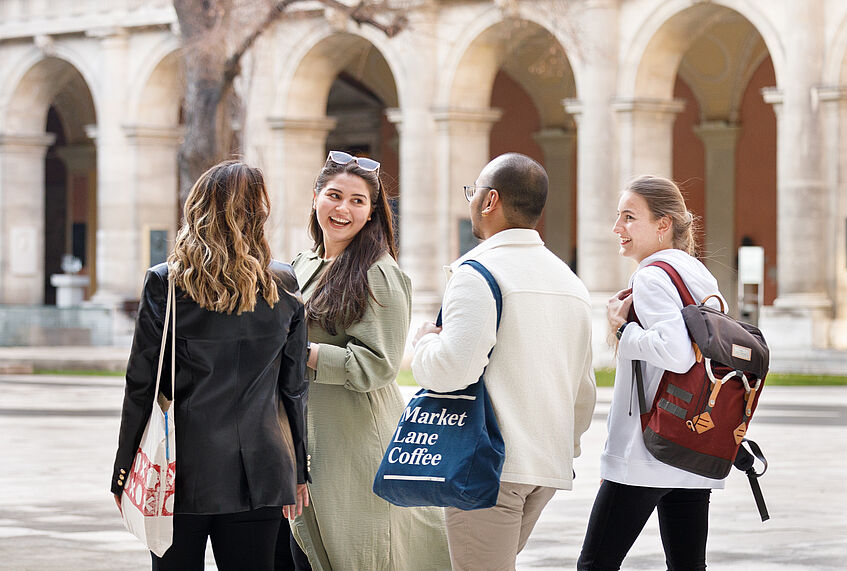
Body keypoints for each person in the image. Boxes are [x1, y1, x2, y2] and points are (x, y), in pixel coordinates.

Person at [111, 160, 309, 570]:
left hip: (180, 469)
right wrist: (300, 470)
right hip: (264, 468)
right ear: (259, 213)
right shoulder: (284, 283)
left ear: (196, 208)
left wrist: (124, 468)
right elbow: (293, 388)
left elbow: (140, 385)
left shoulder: (166, 282)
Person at [411, 152, 597, 571]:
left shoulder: (477, 273)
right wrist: (565, 449)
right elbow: (583, 389)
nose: (471, 200)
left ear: (490, 200)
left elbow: (452, 371)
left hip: (488, 466)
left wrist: (423, 344)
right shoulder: (570, 282)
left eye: (473, 192)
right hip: (545, 466)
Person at [284, 151, 449, 571]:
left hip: (356, 438)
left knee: (360, 551)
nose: (343, 208)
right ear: (315, 196)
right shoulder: (302, 265)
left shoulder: (380, 271)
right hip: (305, 433)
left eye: (358, 201)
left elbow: (379, 365)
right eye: (335, 195)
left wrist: (301, 354)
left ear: (373, 212)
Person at [577, 175, 727, 570]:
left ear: (663, 225)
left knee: (595, 565)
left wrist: (622, 329)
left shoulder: (652, 276)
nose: (617, 228)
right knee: (687, 565)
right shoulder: (700, 277)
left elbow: (674, 353)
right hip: (693, 443)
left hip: (650, 446)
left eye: (629, 217)